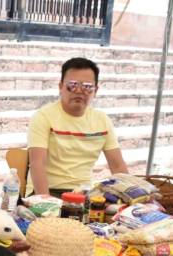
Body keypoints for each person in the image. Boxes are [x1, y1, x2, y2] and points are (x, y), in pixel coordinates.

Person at [27, 57, 128, 198]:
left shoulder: (102, 120)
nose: (79, 91)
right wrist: (46, 203)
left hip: (84, 193)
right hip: (49, 190)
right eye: (72, 85)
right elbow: (37, 164)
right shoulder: (44, 116)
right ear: (61, 87)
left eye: (87, 87)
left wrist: (132, 197)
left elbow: (117, 167)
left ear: (96, 90)